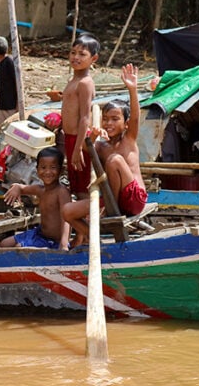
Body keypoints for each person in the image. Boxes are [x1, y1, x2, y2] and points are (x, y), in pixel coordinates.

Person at [62, 64, 147, 248]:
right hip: (110, 200)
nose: (109, 123)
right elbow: (85, 148)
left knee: (115, 160)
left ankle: (108, 208)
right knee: (67, 211)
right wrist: (92, 135)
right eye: (106, 119)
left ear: (125, 124)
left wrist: (132, 89)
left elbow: (135, 118)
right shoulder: (101, 146)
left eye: (115, 119)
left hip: (133, 198)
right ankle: (92, 237)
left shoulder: (129, 139)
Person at [1, 147, 71, 250]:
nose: (47, 172)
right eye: (43, 167)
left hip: (54, 242)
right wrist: (17, 187)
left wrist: (64, 243)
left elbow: (66, 219)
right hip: (39, 234)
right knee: (4, 244)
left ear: (61, 170)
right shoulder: (40, 190)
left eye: (53, 167)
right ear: (37, 170)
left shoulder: (62, 192)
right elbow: (22, 188)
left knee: (19, 248)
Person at [58, 33, 99, 200]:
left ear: (93, 58)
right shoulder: (72, 79)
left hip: (78, 140)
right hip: (69, 138)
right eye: (73, 52)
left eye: (82, 54)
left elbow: (84, 117)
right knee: (74, 183)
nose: (76, 57)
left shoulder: (85, 83)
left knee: (82, 187)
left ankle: (87, 222)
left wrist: (78, 148)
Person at [0, 36, 19, 128]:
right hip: (3, 101)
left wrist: (18, 102)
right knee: (2, 126)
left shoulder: (9, 62)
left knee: (9, 126)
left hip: (11, 103)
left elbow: (17, 82)